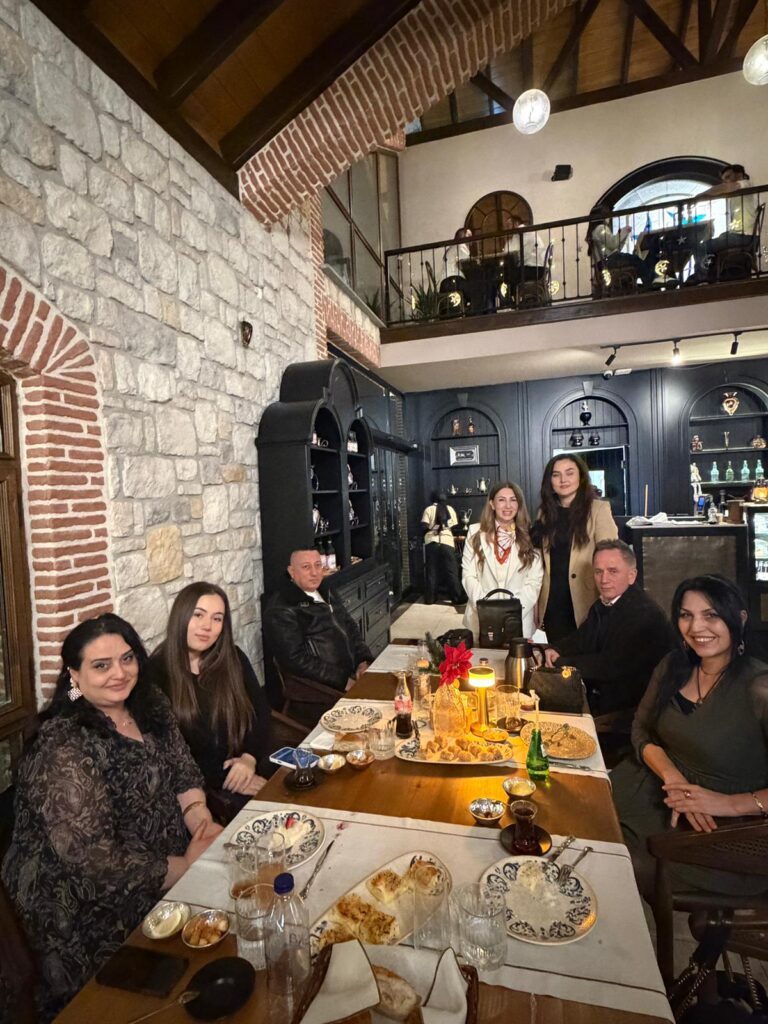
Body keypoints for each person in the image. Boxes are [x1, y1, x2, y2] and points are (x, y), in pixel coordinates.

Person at [1, 614, 220, 1022]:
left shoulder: (148, 703)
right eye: (101, 665)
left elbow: (183, 771)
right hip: (87, 907)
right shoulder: (63, 745)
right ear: (74, 675)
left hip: (173, 859)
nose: (119, 673)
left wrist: (200, 822)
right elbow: (93, 862)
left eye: (127, 658)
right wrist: (187, 866)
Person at [612, 575, 768, 898]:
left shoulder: (759, 687)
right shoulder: (674, 665)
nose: (696, 627)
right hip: (655, 788)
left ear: (739, 618)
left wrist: (728, 803)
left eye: (711, 615)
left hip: (725, 831)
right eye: (686, 615)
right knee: (581, 829)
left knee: (616, 865)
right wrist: (673, 777)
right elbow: (640, 730)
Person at [148, 582, 274, 824]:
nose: (207, 626)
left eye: (217, 619)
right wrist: (226, 778)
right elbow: (169, 752)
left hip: (250, 762)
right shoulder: (156, 673)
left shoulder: (233, 658)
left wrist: (249, 758)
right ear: (181, 616)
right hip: (205, 790)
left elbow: (261, 713)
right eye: (198, 615)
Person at [544, 540, 675, 714]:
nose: (604, 580)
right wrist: (555, 648)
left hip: (631, 712)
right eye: (598, 572)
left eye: (613, 571)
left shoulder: (645, 614)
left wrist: (561, 662)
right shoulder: (604, 603)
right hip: (605, 698)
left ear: (632, 575)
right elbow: (581, 639)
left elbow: (610, 666)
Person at [263, 548, 371, 718]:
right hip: (321, 692)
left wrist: (363, 661)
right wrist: (343, 681)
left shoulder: (325, 590)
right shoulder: (282, 609)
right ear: (292, 571)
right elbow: (296, 660)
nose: (314, 573)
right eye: (306, 567)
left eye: (318, 565)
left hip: (351, 674)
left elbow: (350, 627)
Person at [534, 453, 618, 642]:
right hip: (553, 602)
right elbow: (539, 562)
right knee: (557, 655)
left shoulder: (598, 509)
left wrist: (609, 598)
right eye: (556, 475)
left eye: (569, 473)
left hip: (587, 599)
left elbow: (612, 558)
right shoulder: (544, 513)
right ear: (550, 481)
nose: (563, 480)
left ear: (581, 476)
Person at [461, 481, 544, 642]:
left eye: (513, 500)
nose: (508, 505)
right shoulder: (475, 532)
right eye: (501, 500)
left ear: (519, 504)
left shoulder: (531, 535)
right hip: (480, 618)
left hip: (519, 620)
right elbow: (468, 575)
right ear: (492, 504)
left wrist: (510, 613)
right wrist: (487, 610)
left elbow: (534, 582)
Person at [587, 207, 657, 288]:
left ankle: (646, 283)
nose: (609, 217)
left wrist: (622, 236)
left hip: (605, 262)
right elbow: (613, 244)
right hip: (610, 261)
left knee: (635, 260)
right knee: (636, 260)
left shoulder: (595, 231)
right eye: (607, 214)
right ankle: (650, 283)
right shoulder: (600, 228)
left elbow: (615, 247)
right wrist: (623, 231)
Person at [702, 164, 759, 258]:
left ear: (739, 175)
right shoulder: (735, 194)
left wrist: (700, 196)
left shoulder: (746, 183)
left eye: (728, 177)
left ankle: (703, 267)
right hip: (742, 236)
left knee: (702, 247)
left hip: (745, 237)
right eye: (723, 180)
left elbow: (725, 187)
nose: (725, 182)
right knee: (715, 241)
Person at [421, 491, 463, 604]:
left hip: (432, 542)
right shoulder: (450, 509)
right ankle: (456, 598)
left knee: (431, 571)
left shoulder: (428, 509)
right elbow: (454, 526)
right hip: (447, 542)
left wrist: (433, 529)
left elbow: (424, 527)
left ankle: (430, 598)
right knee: (451, 571)